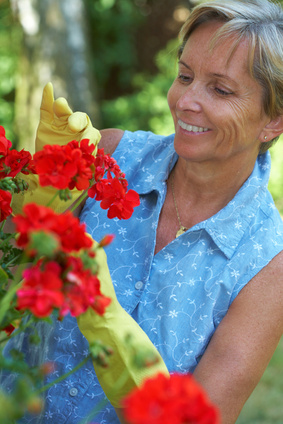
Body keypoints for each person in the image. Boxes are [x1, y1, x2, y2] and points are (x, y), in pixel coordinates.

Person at [2, 0, 283, 423]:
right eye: (184, 75)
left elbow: (204, 416)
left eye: (220, 89)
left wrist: (114, 336)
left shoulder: (269, 262)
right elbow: (10, 274)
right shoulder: (111, 154)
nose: (186, 100)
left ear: (274, 121)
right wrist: (25, 207)